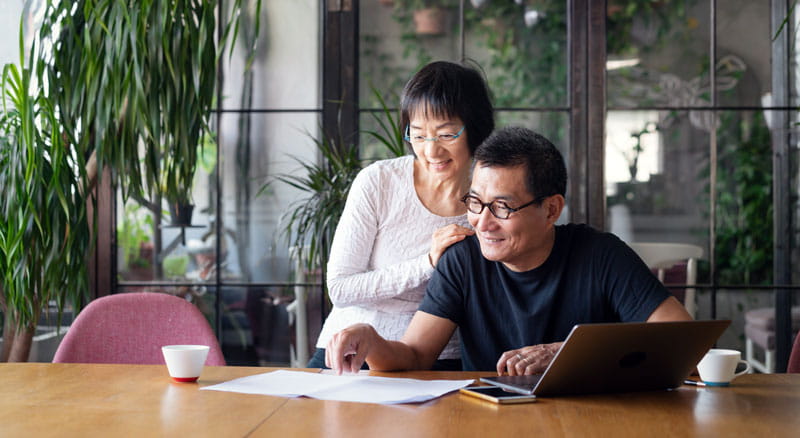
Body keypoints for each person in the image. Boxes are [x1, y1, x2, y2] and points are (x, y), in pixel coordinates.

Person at [325, 126, 693, 375]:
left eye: (502, 207)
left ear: (551, 209)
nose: (482, 223)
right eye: (475, 202)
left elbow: (685, 343)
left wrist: (567, 354)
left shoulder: (600, 255)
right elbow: (415, 356)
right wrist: (371, 340)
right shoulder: (462, 262)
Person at [307, 61, 495, 370]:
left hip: (439, 357)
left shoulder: (490, 200)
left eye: (446, 134)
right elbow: (340, 288)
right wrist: (427, 263)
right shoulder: (380, 181)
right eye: (418, 135)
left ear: (475, 129)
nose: (431, 151)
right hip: (352, 350)